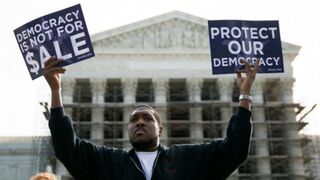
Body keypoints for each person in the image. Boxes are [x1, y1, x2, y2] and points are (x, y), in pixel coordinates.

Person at [44, 56, 260, 180]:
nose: (139, 122)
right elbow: (66, 147)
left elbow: (235, 149)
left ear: (160, 129)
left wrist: (245, 94)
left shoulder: (185, 159)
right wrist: (56, 90)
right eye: (133, 119)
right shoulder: (111, 162)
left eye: (147, 118)